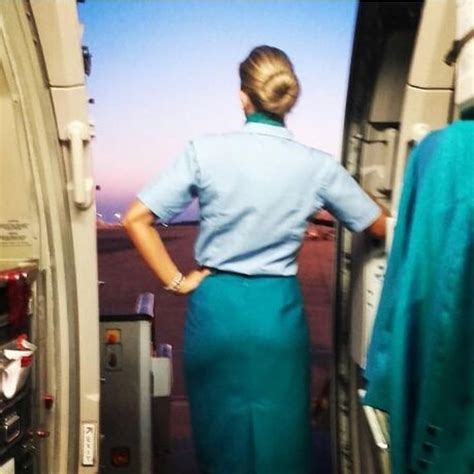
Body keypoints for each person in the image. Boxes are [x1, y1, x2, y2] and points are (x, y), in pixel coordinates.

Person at [123, 45, 387, 474]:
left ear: (243, 96)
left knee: (220, 434)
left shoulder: (203, 152)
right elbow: (376, 225)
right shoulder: (317, 166)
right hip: (276, 313)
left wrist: (177, 281)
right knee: (279, 436)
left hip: (215, 309)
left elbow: (137, 219)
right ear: (287, 100)